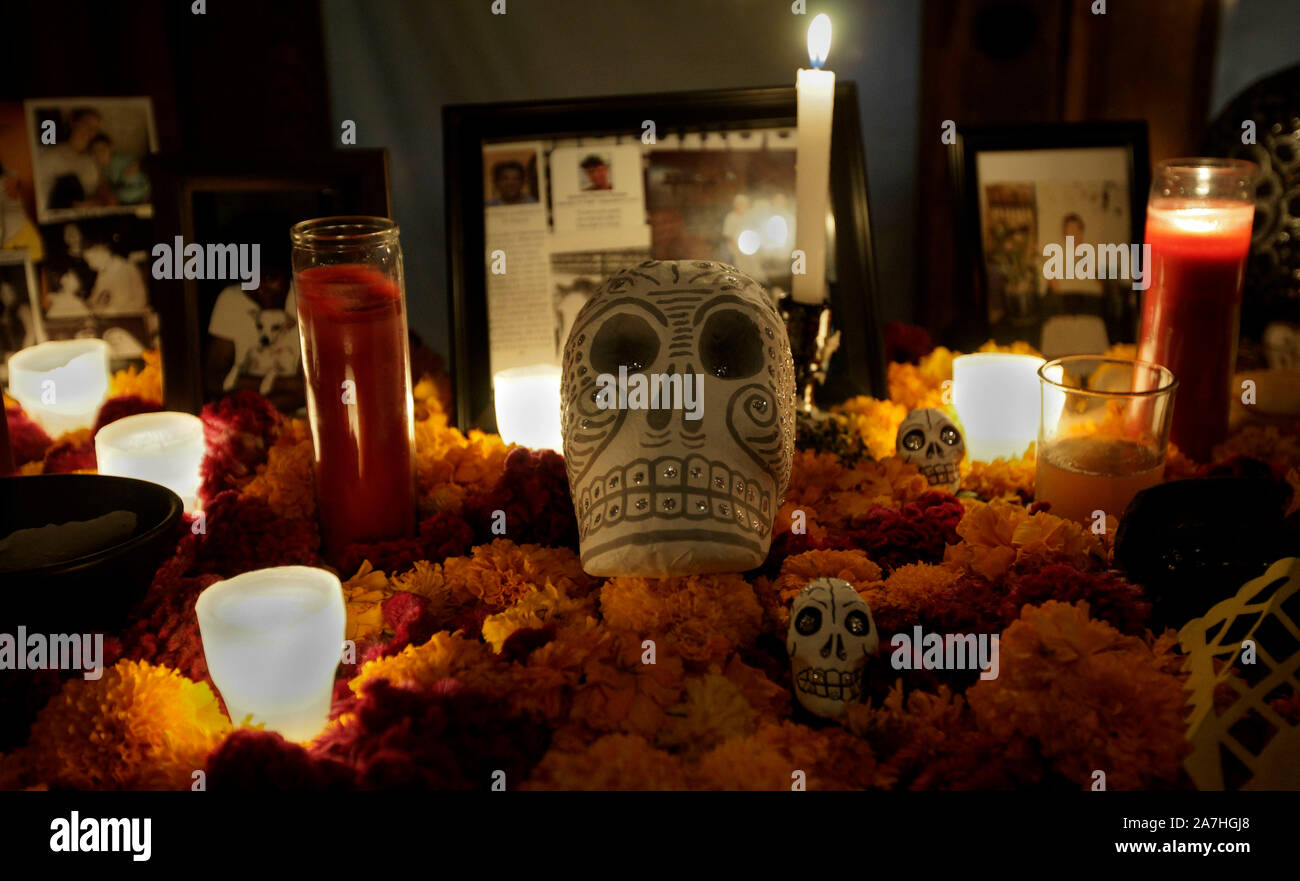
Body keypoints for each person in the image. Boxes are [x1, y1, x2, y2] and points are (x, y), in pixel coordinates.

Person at [37, 109, 112, 212]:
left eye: (95, 129)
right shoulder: (51, 156)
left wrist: (98, 201)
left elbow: (102, 187)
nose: (90, 131)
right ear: (73, 122)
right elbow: (42, 202)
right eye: (86, 124)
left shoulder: (92, 158)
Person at [84, 242, 148, 314]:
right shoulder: (103, 272)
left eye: (91, 259)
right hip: (113, 316)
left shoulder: (127, 268)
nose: (90, 265)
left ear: (104, 254)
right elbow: (95, 297)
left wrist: (114, 311)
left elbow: (141, 301)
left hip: (133, 316)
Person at [88, 134, 149, 205]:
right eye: (96, 151)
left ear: (111, 148)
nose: (100, 154)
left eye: (103, 149)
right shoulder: (104, 170)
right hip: (126, 201)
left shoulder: (120, 161)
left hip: (141, 195)